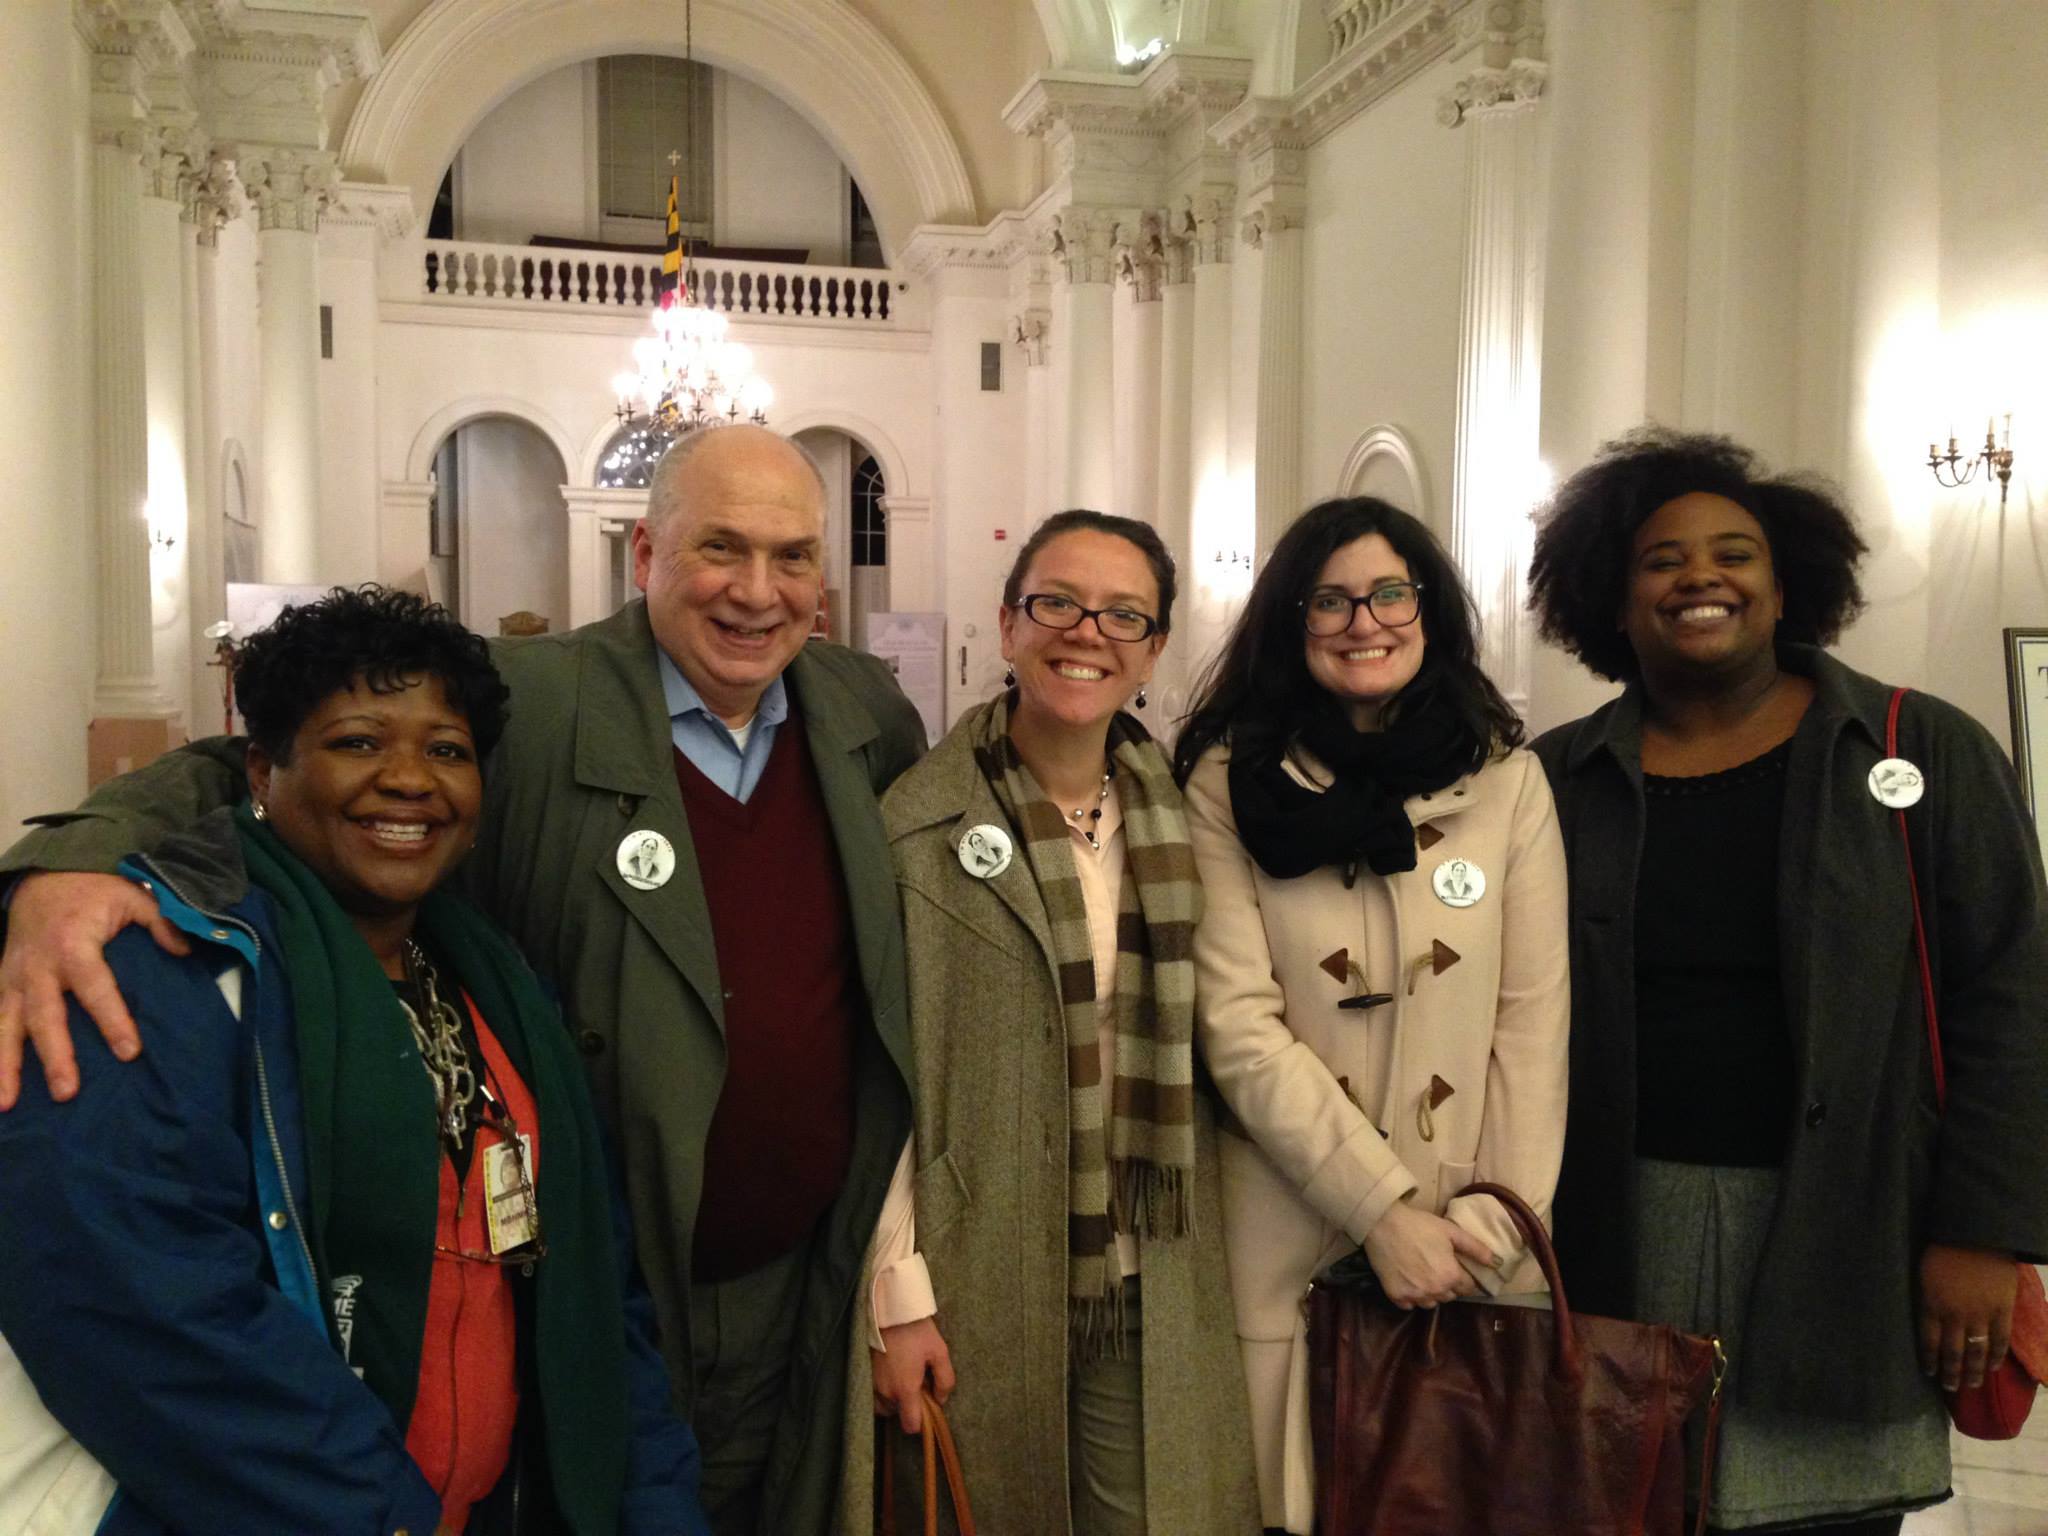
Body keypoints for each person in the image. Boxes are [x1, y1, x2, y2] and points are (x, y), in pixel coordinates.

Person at [0, 425, 927, 1536]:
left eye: (792, 556)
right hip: (606, 1273)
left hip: (792, 1282)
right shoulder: (530, 699)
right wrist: (69, 862)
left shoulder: (864, 715)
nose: (757, 591)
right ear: (644, 556)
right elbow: (247, 761)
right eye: (720, 548)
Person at [0, 586, 709, 1535]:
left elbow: (600, 1294)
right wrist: (381, 1516)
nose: (410, 779)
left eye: (447, 751)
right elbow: (145, 1318)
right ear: (261, 768)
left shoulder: (497, 989)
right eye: (358, 742)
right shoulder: (154, 970)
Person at [1526, 427, 2048, 1534]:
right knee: (1624, 1509)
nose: (1699, 577)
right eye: (1660, 560)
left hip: (1852, 1219)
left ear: (1784, 585)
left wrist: (1983, 1231)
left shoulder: (1923, 749)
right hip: (1617, 1221)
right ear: (1609, 601)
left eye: (1734, 554)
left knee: (1821, 1517)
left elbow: (2011, 998)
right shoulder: (1554, 779)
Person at [847, 510, 1260, 1533]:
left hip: (1147, 1254)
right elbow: (881, 1075)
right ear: (1007, 625)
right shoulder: (915, 823)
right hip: (979, 1253)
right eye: (1056, 604)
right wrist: (895, 1292)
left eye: (1123, 614)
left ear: (1154, 647)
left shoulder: (1190, 817)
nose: (1087, 632)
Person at [1172, 496, 1569, 1535]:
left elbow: (1531, 1030)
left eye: (1388, 592)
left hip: (1467, 1245)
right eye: (1330, 600)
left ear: (1427, 608)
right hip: (1285, 1232)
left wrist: (1481, 1234)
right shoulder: (1223, 784)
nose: (1364, 621)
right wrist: (1379, 1213)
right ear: (1289, 621)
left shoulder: (1507, 784)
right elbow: (1237, 1024)